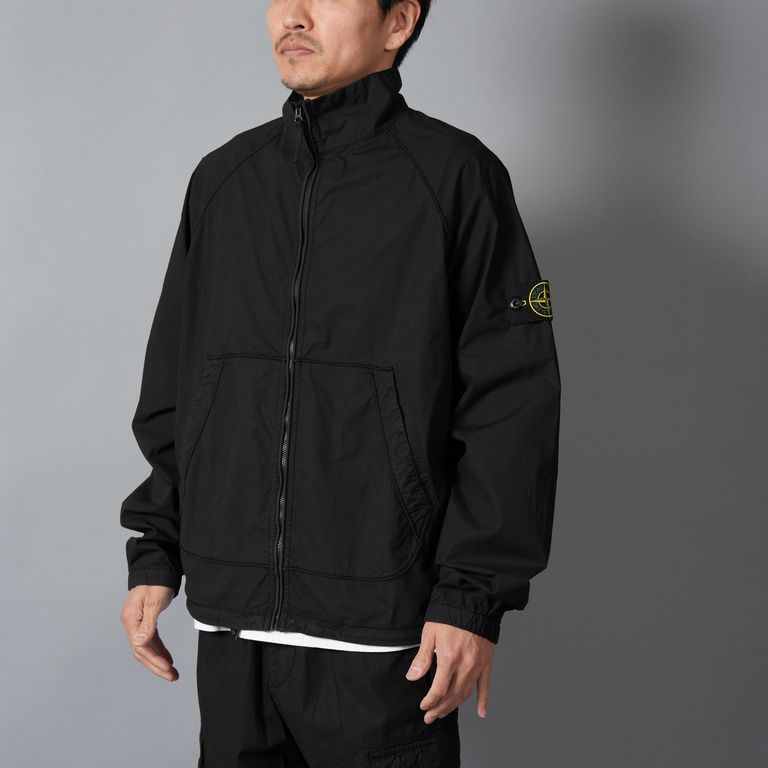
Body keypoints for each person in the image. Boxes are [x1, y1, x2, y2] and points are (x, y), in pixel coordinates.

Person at [119, 1, 561, 765]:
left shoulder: (456, 178)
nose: (292, 15)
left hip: (384, 637)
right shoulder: (225, 180)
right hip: (233, 630)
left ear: (399, 22)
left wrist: (472, 599)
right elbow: (178, 385)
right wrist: (157, 549)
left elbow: (511, 408)